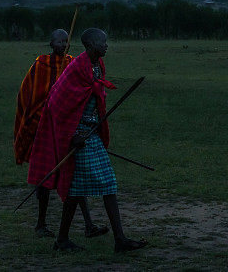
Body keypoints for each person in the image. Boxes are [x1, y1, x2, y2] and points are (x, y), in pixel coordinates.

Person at [28, 28, 147, 253]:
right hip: (79, 136)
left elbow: (92, 98)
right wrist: (72, 136)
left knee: (91, 186)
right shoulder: (77, 68)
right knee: (89, 186)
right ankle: (68, 240)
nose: (106, 46)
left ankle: (110, 239)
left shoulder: (97, 66)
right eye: (103, 42)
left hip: (90, 134)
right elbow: (55, 103)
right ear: (91, 45)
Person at [14, 29, 107, 239]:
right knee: (44, 176)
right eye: (59, 41)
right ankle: (41, 223)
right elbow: (30, 94)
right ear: (50, 43)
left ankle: (89, 224)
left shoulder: (73, 64)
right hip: (44, 126)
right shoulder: (41, 65)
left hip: (68, 125)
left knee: (75, 174)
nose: (63, 44)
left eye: (66, 41)